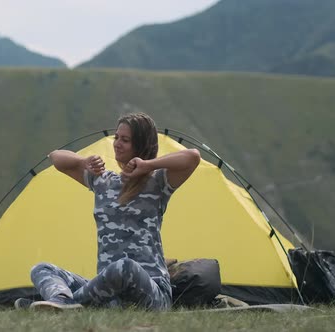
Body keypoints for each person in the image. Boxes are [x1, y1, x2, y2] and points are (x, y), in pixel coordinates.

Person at [15, 112, 201, 310]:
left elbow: (192, 157)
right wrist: (83, 162)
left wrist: (147, 165)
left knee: (125, 266)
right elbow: (55, 157)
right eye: (117, 138)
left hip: (151, 291)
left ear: (141, 145)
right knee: (42, 269)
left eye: (125, 140)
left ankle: (63, 305)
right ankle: (61, 301)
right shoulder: (103, 181)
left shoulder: (158, 182)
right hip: (108, 295)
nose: (117, 144)